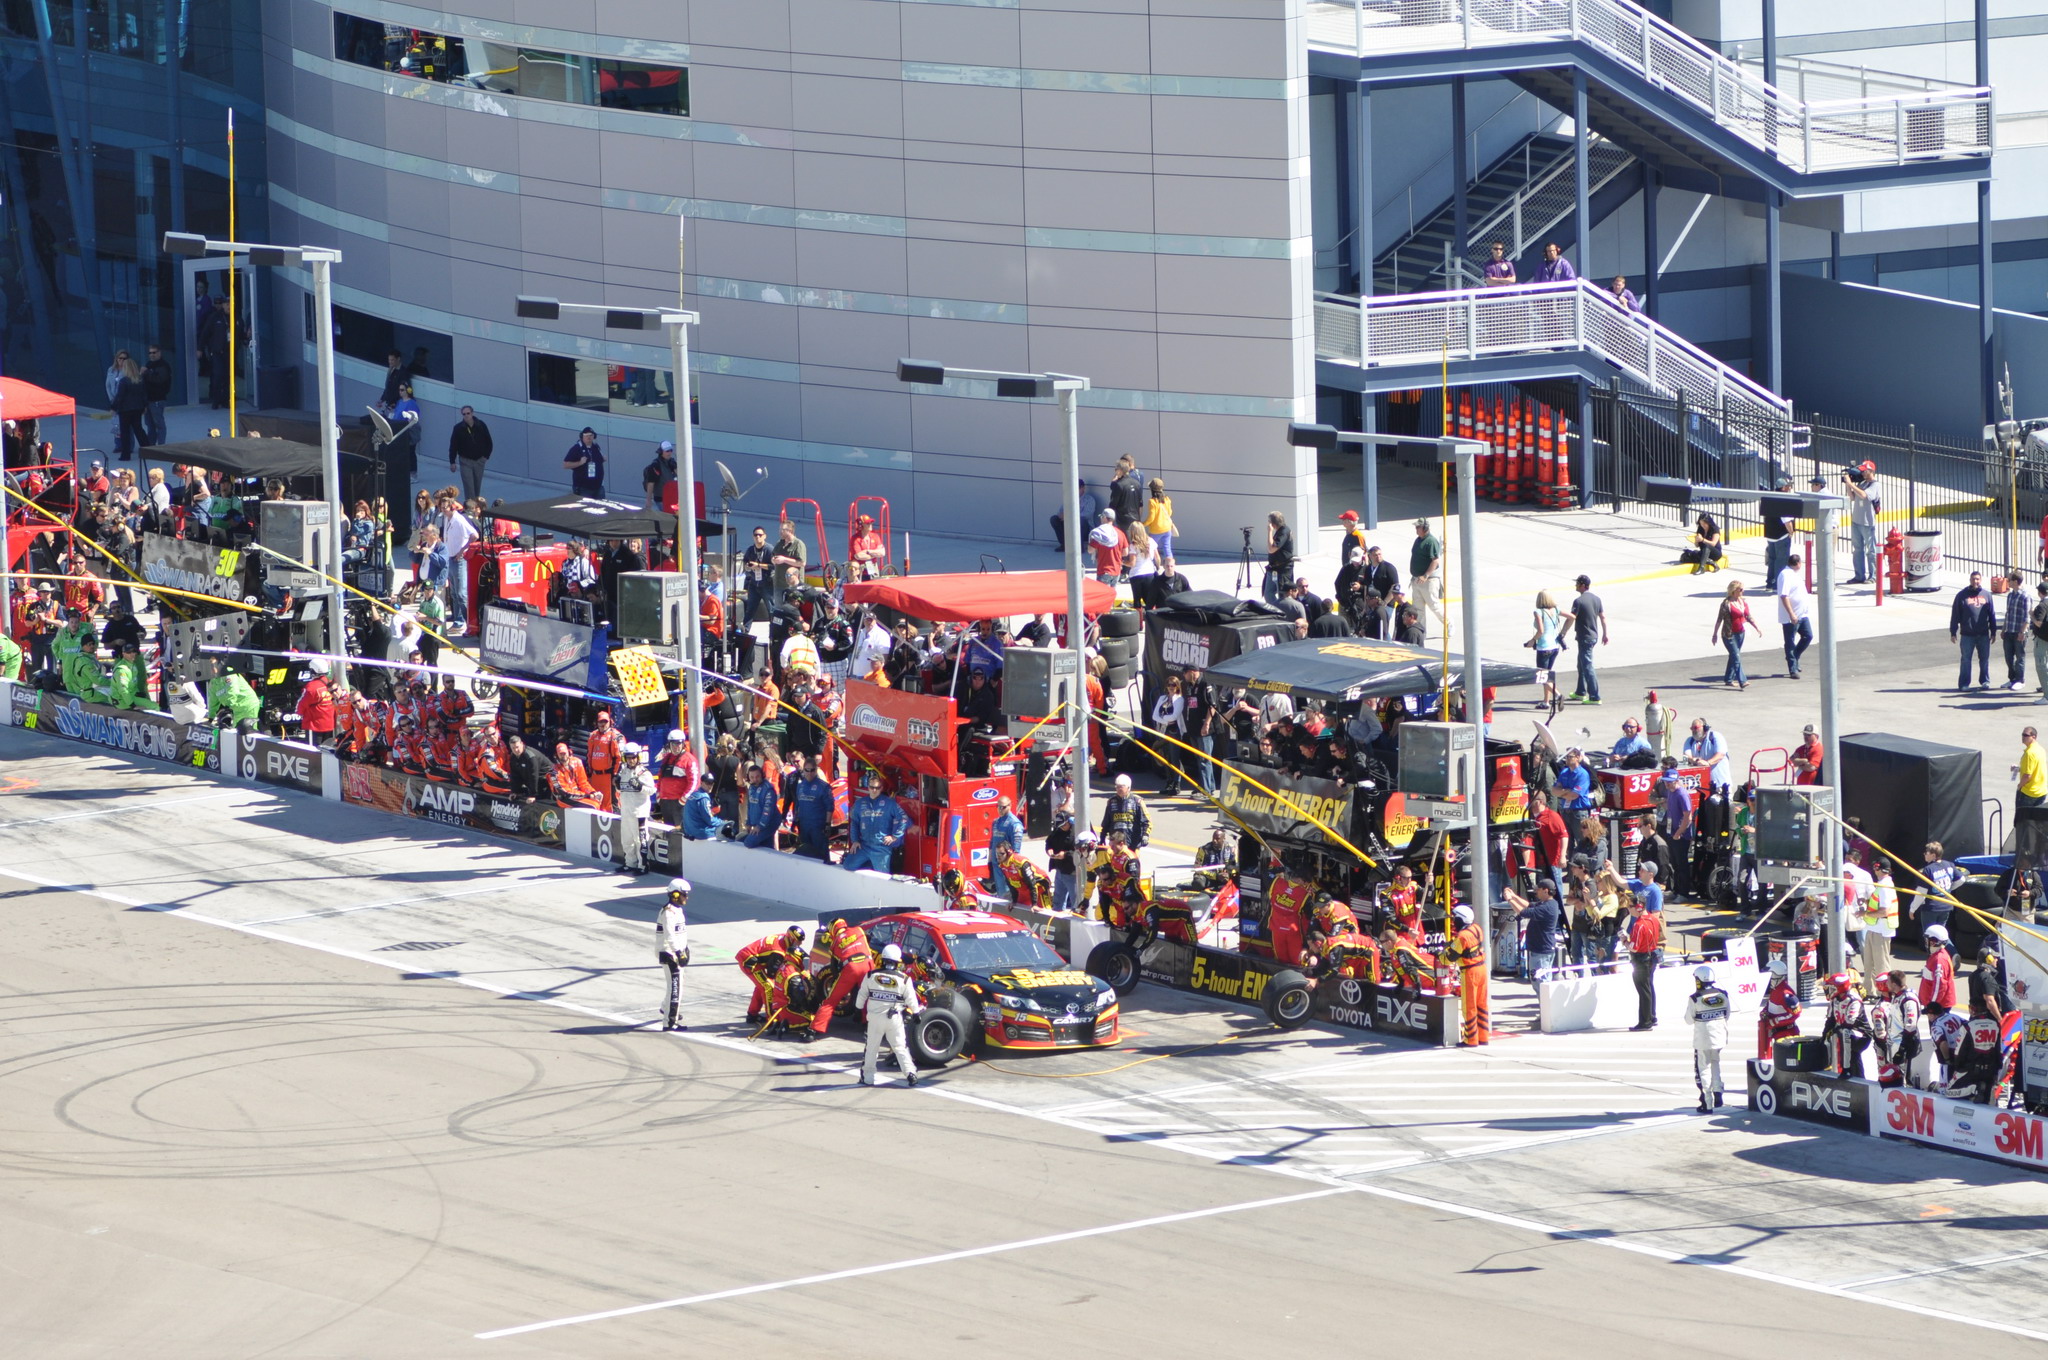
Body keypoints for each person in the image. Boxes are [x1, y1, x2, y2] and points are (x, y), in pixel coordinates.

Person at [854, 943, 923, 1086]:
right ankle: (911, 1074)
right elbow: (911, 998)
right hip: (894, 1019)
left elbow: (862, 994)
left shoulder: (871, 975)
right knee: (900, 1047)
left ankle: (868, 1078)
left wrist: (857, 1009)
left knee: (872, 1048)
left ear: (883, 959)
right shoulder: (904, 979)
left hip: (875, 1019)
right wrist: (916, 1013)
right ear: (898, 961)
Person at [1685, 965, 1731, 1112]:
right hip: (1720, 1036)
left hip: (1703, 1038)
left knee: (1703, 1067)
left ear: (1699, 980)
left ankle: (1707, 1102)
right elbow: (1727, 1014)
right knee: (1715, 1062)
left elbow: (1688, 1020)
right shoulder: (1723, 994)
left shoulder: (1695, 998)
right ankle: (1718, 1090)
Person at [844, 772, 909, 872]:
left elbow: (903, 818)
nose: (874, 790)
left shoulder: (889, 803)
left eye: (877, 788)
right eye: (872, 787)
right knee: (848, 865)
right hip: (864, 846)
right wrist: (855, 840)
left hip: (881, 847)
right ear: (868, 787)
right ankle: (868, 869)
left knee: (882, 877)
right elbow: (854, 823)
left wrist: (894, 836)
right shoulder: (860, 803)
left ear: (881, 788)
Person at [1444, 904, 1489, 1046]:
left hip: (1470, 972)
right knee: (1481, 1004)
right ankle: (1483, 1037)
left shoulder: (1462, 936)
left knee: (1469, 1006)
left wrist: (1440, 955)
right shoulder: (1477, 928)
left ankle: (1471, 1039)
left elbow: (1449, 958)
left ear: (1461, 919)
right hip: (1482, 969)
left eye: (1454, 919)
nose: (1453, 922)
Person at [1504, 880, 1563, 981]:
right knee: (1539, 982)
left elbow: (1524, 912)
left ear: (1546, 891)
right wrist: (1514, 896)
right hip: (1540, 950)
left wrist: (1509, 900)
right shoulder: (1549, 903)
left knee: (1541, 982)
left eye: (1538, 890)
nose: (1536, 892)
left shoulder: (1547, 907)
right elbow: (1528, 905)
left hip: (1541, 951)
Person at [1951, 569, 1996, 690]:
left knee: (1984, 660)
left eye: (1977, 579)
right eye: (1973, 579)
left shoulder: (1987, 595)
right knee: (1966, 660)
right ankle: (1964, 684)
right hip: (1967, 634)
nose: (1975, 581)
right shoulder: (1961, 595)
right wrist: (1953, 632)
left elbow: (1992, 614)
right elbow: (1955, 614)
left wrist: (1993, 632)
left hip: (1983, 634)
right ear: (1970, 580)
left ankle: (1985, 681)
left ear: (1980, 580)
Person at [656, 880, 691, 1031]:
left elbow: (680, 933)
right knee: (675, 988)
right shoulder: (668, 913)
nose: (686, 897)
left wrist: (685, 949)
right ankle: (669, 1022)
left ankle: (666, 1008)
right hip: (669, 953)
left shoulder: (677, 910)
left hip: (676, 952)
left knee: (677, 984)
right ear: (675, 895)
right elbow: (669, 935)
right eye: (684, 894)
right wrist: (678, 952)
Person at [1711, 580, 1760, 690]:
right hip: (1729, 634)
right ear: (1734, 591)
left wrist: (1756, 627)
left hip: (1741, 633)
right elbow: (1719, 620)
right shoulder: (1726, 604)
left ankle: (1728, 679)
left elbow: (1748, 616)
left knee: (1733, 655)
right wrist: (1714, 634)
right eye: (1740, 589)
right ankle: (1742, 680)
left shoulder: (1743, 602)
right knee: (1736, 656)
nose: (1743, 591)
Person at [1821, 972, 1870, 1078]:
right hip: (1846, 1032)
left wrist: (1836, 1029)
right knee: (1839, 1035)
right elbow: (1831, 1019)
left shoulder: (1854, 999)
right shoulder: (1834, 999)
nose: (1831, 990)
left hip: (1862, 1034)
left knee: (1844, 1033)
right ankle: (1853, 1075)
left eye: (1833, 987)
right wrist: (1824, 1035)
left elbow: (1849, 1022)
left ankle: (1847, 1070)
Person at [614, 743, 654, 872]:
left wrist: (640, 787)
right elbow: (621, 790)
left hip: (639, 813)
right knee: (626, 839)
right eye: (628, 757)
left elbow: (652, 790)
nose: (631, 760)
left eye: (633, 757)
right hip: (626, 810)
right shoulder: (623, 772)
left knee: (640, 840)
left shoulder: (644, 773)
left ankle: (643, 865)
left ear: (638, 757)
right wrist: (617, 786)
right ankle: (630, 863)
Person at [1626, 895, 1663, 1030]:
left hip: (1641, 959)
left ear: (1639, 907)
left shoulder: (1639, 925)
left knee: (1643, 991)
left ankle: (1645, 1021)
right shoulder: (1653, 919)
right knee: (1648, 988)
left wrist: (1624, 940)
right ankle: (1651, 1016)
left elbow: (1634, 947)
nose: (1629, 909)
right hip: (1652, 956)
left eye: (1630, 906)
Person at [1568, 574, 1607, 703]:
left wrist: (1563, 632)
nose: (1575, 585)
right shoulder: (1597, 599)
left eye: (1577, 583)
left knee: (1587, 666)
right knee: (1581, 664)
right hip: (1593, 636)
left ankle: (1595, 696)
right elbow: (1602, 617)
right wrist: (1605, 634)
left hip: (1585, 637)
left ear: (1583, 585)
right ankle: (1580, 691)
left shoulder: (1578, 601)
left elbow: (1571, 618)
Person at [1908, 842, 1960, 937]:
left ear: (1933, 855)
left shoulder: (1928, 870)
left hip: (1931, 908)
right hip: (1946, 906)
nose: (1924, 854)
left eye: (1926, 853)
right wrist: (1948, 889)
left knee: (1929, 937)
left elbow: (1921, 893)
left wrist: (1912, 909)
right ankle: (1946, 947)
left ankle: (1942, 947)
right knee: (1941, 936)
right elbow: (1961, 879)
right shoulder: (1949, 865)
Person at [1777, 552, 1813, 678]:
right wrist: (1791, 614)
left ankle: (1794, 656)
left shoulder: (1794, 574)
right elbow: (1784, 596)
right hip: (1791, 617)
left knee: (1808, 636)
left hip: (1802, 614)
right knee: (1790, 641)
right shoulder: (1785, 575)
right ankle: (1792, 668)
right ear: (1798, 563)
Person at [1844, 461, 1881, 583]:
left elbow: (1864, 495)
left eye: (1865, 471)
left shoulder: (1875, 485)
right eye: (1862, 471)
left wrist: (1851, 484)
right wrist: (1848, 484)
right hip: (1856, 521)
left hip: (1867, 523)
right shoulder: (1862, 483)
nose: (1863, 473)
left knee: (1871, 551)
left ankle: (1873, 576)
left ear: (1871, 471)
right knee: (1857, 550)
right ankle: (1859, 575)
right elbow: (1852, 497)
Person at [1528, 588, 1566, 709]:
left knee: (1542, 676)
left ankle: (1558, 695)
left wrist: (1532, 640)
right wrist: (1563, 633)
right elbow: (1572, 617)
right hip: (1555, 647)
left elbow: (1541, 630)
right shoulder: (1555, 610)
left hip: (1544, 648)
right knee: (1547, 675)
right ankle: (1546, 701)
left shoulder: (1538, 612)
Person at [1758, 956, 1802, 1059]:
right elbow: (1770, 1004)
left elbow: (1796, 1013)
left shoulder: (1786, 993)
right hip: (1776, 1033)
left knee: (1788, 1061)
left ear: (1777, 975)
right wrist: (1765, 1012)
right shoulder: (1775, 990)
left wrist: (1775, 1021)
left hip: (1787, 1035)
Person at [448, 406, 493, 502]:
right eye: (464, 414)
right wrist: (452, 462)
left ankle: (476, 506)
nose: (466, 415)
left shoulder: (481, 425)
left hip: (479, 461)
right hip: (465, 461)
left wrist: (485, 457)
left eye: (468, 413)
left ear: (472, 413)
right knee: (469, 487)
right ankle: (470, 507)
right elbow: (453, 446)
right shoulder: (458, 428)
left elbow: (489, 442)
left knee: (477, 486)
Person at [1861, 863, 1899, 977]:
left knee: (1881, 966)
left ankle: (1884, 988)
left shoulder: (1884, 886)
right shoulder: (1882, 885)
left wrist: (1865, 914)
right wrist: (1867, 902)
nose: (1874, 870)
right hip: (1875, 929)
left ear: (1880, 869)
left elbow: (1884, 911)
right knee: (1869, 966)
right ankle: (1870, 987)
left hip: (1881, 930)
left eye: (1875, 868)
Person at [1408, 518, 1443, 638]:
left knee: (1434, 606)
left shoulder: (1431, 541)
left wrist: (1425, 575)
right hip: (1416, 579)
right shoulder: (1418, 540)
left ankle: (1448, 623)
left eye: (1418, 527)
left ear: (1425, 528)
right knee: (1418, 609)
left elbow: (1435, 561)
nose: (1416, 529)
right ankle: (1421, 632)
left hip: (1428, 580)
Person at [1049, 477, 1101, 553]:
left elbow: (1088, 514)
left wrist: (1069, 517)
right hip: (1069, 526)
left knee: (1080, 520)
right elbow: (1060, 512)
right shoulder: (1069, 499)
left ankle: (1079, 547)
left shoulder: (1089, 499)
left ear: (1083, 488)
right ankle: (1064, 545)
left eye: (1078, 488)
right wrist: (1062, 515)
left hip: (1085, 529)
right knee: (1054, 519)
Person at [2000, 569, 2032, 690]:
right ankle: (2012, 679)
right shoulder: (2010, 595)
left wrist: (2022, 632)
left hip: (2019, 632)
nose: (2008, 582)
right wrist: (2003, 629)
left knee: (2020, 657)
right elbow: (2008, 614)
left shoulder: (2025, 596)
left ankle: (2020, 680)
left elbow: (2027, 617)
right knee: (2008, 657)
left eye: (2009, 580)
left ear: (2015, 582)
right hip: (2009, 630)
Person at [1102, 773, 1150, 849]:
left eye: (1121, 787)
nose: (1119, 789)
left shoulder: (1138, 801)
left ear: (1128, 787)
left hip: (1133, 843)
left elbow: (1146, 821)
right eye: (1117, 787)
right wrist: (1102, 837)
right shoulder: (1111, 802)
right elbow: (1106, 822)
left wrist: (1145, 835)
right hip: (1116, 846)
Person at [295, 660, 337, 746]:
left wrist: (298, 713)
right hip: (330, 725)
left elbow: (302, 704)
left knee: (313, 751)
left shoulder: (311, 687)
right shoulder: (331, 683)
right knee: (327, 749)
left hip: (314, 726)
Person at [563, 427, 605, 496]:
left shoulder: (596, 447)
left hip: (598, 487)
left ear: (594, 436)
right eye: (586, 435)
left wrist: (602, 459)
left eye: (591, 435)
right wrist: (579, 463)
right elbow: (565, 465)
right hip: (583, 488)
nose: (589, 437)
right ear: (582, 436)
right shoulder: (576, 448)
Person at [1264, 511, 1294, 604]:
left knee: (1283, 595)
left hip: (1283, 569)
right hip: (1274, 568)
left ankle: (1281, 609)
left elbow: (1271, 549)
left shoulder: (1283, 532)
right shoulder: (1281, 531)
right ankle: (1275, 608)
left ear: (1273, 524)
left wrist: (1270, 531)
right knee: (1268, 593)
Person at [642, 439, 677, 508]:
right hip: (661, 500)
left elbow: (681, 478)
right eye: (667, 451)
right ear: (661, 452)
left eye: (671, 450)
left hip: (673, 498)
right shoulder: (656, 465)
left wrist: (675, 468)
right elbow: (650, 483)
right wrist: (648, 501)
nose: (669, 453)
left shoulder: (672, 463)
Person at [2031, 580, 2048, 704]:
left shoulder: (2042, 605)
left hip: (2042, 639)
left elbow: (2038, 623)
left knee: (2041, 666)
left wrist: (2032, 615)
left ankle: (2047, 696)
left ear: (2039, 593)